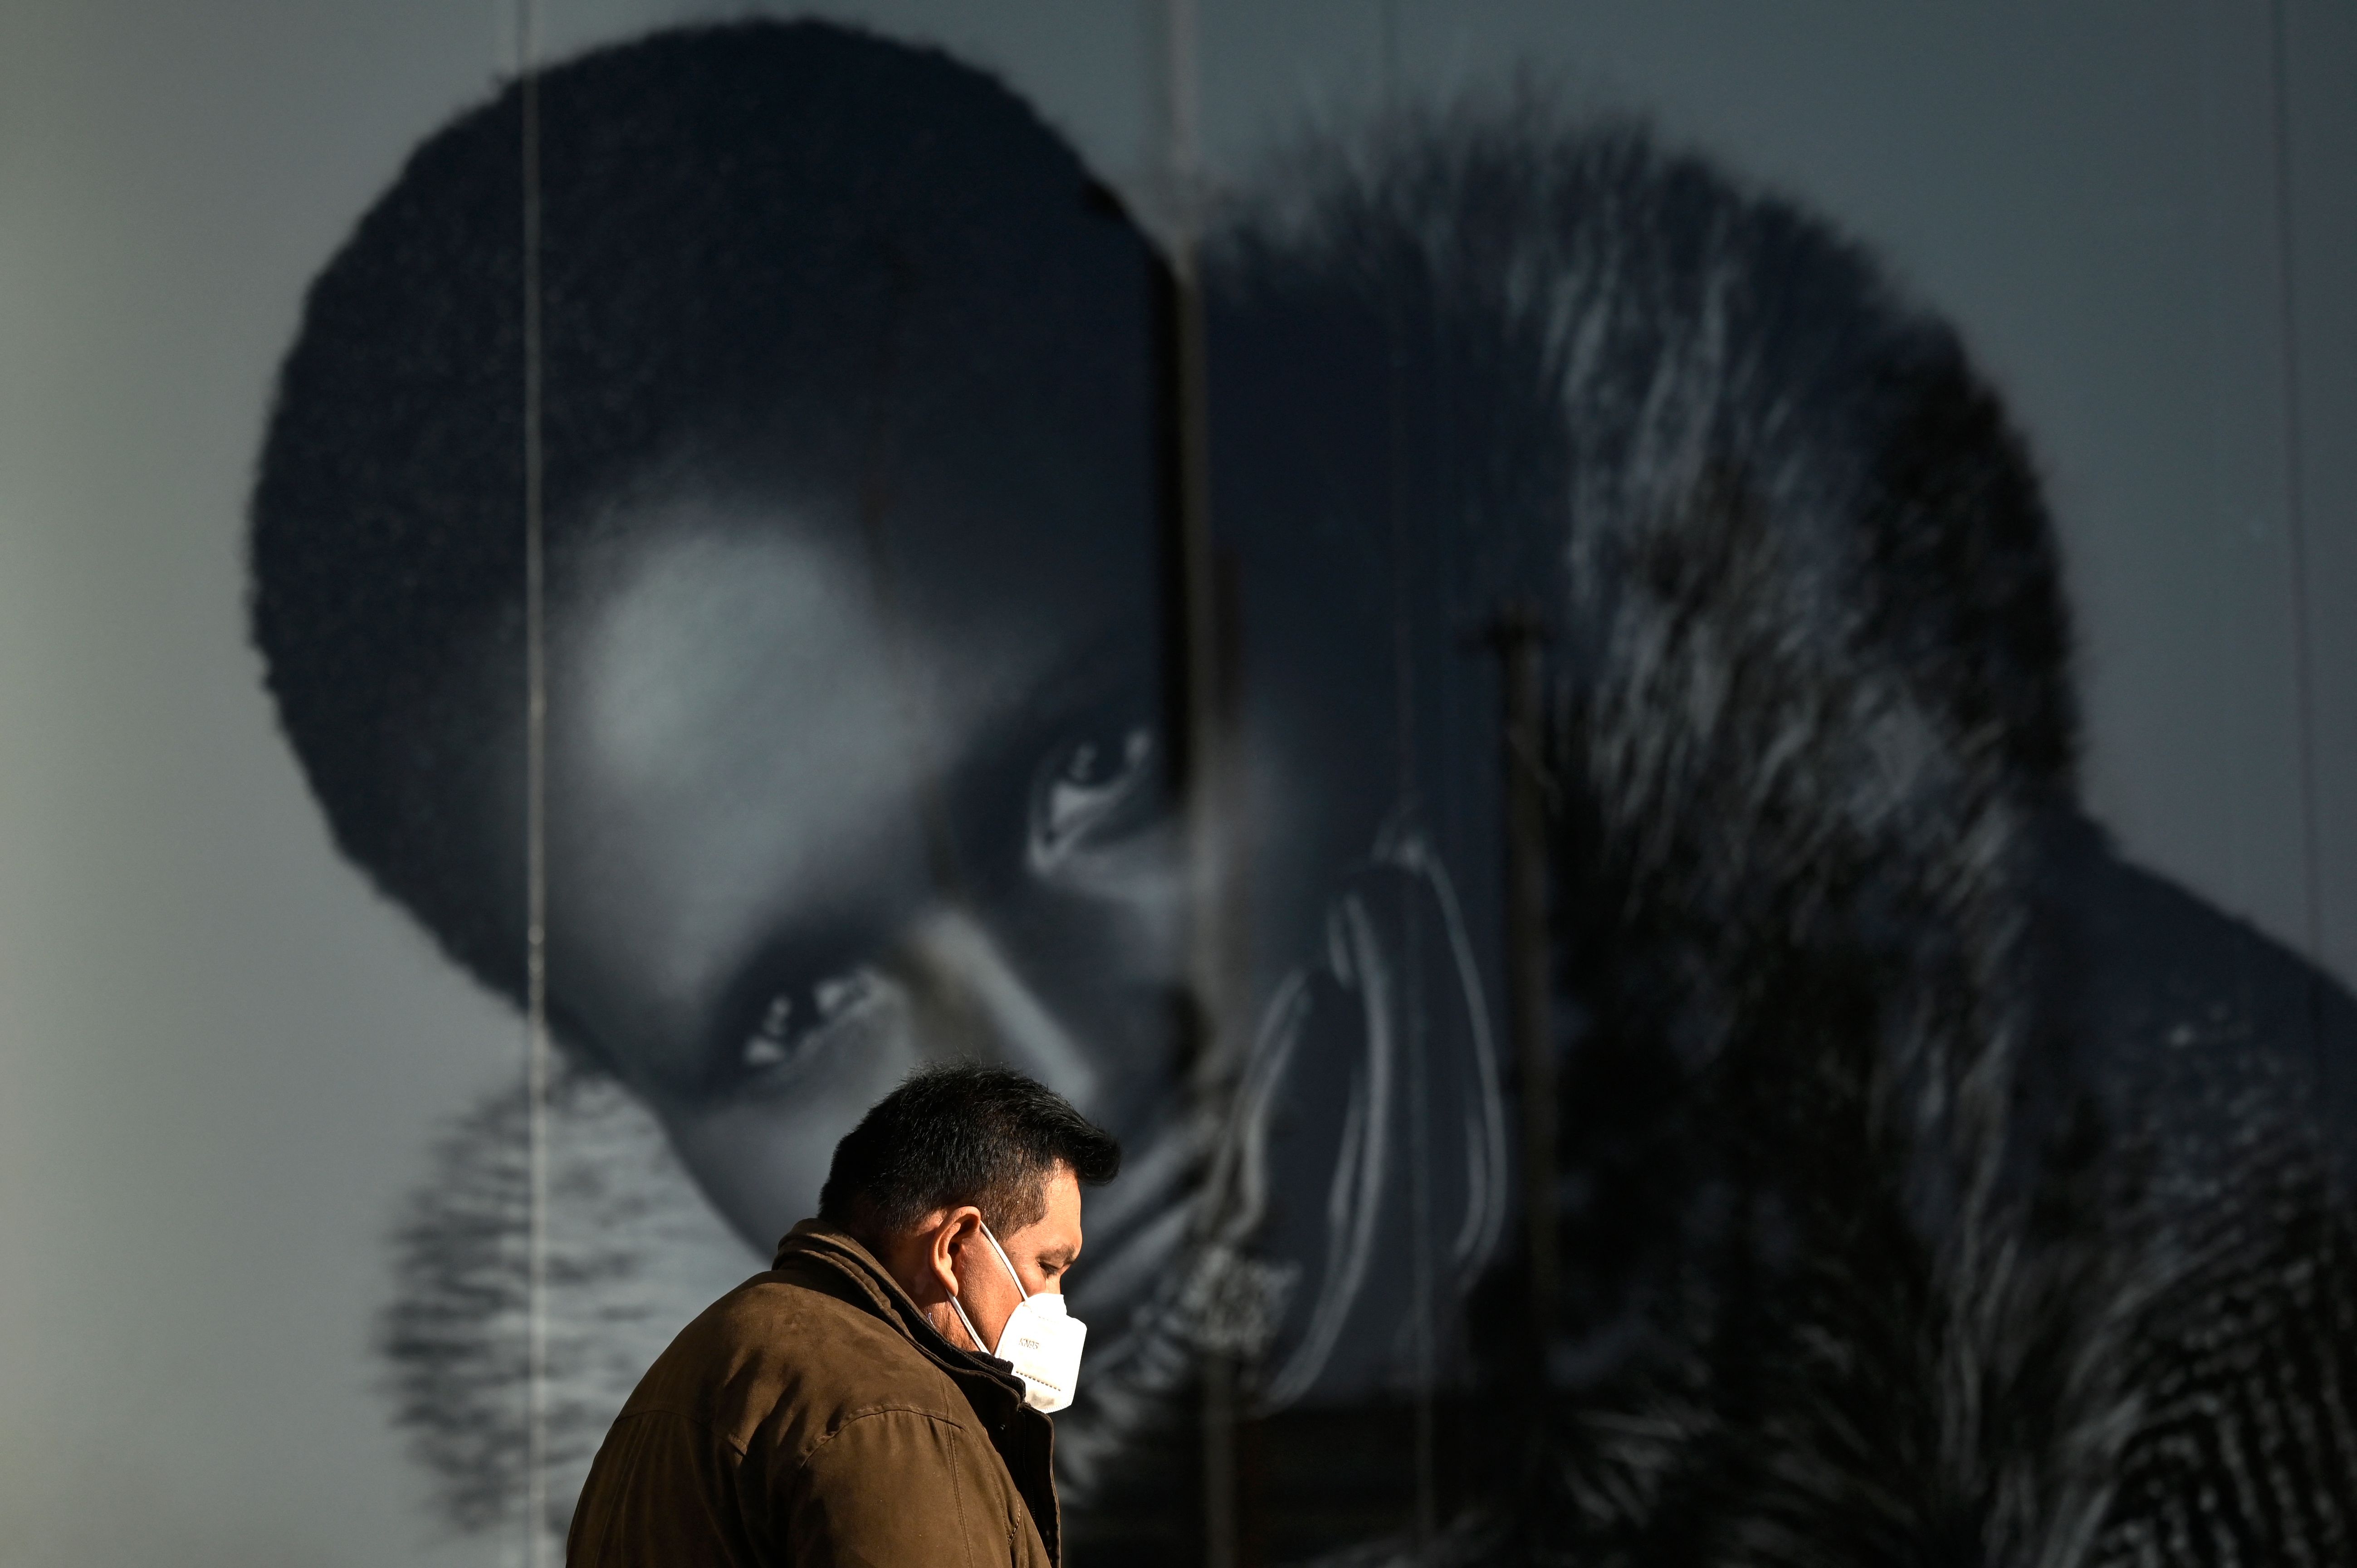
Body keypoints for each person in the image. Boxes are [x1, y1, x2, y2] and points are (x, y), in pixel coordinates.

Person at [252, 17, 2357, 1563]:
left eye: (1104, 764)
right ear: (656, 1131)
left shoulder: (2233, 1315)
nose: (1076, 1069)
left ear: (1331, 554)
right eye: (796, 1011)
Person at [567, 1064, 1121, 1566]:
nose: (1058, 1301)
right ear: (953, 1248)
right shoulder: (897, 1412)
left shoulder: (718, 1347)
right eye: (1048, 1266)